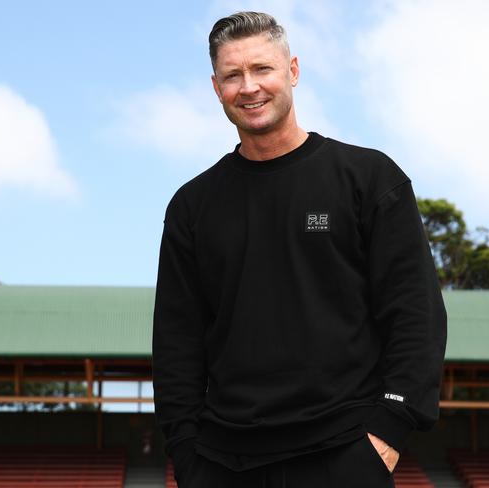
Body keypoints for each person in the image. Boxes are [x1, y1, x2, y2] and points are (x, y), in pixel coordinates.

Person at [152, 11, 447, 488]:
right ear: (215, 87)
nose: (249, 87)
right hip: (224, 463)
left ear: (292, 70)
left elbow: (416, 315)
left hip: (345, 454)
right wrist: (186, 454)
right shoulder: (192, 206)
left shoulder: (369, 180)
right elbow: (176, 343)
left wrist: (388, 431)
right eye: (233, 75)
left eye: (262, 69)